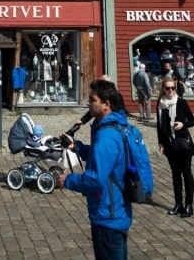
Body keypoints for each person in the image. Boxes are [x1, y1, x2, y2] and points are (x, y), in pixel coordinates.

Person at [57, 79, 133, 260]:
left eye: (92, 100)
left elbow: (95, 178)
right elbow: (107, 158)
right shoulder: (117, 126)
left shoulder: (106, 135)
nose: (88, 104)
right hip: (118, 211)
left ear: (106, 105)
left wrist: (67, 180)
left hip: (108, 215)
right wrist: (78, 147)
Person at [155, 78, 194, 217]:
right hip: (169, 145)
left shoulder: (181, 102)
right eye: (167, 88)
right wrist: (161, 143)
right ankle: (178, 204)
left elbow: (192, 121)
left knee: (186, 173)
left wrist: (182, 125)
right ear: (163, 89)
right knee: (175, 174)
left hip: (183, 143)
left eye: (173, 88)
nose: (170, 91)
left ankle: (189, 205)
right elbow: (159, 126)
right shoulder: (160, 105)